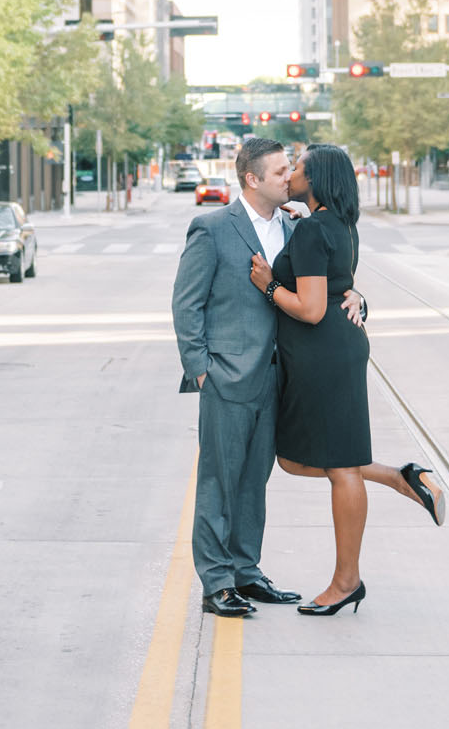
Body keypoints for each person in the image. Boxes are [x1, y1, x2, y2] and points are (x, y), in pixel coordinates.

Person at [171, 137, 365, 619]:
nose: (289, 177)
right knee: (220, 479)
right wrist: (200, 369)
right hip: (228, 376)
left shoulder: (297, 226)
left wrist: (357, 296)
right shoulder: (213, 228)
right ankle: (217, 581)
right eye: (281, 171)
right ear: (253, 179)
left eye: (291, 169)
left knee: (256, 479)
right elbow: (186, 304)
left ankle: (246, 571)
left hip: (284, 378)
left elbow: (326, 284)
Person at [250, 143, 445, 616]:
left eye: (297, 168)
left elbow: (313, 309)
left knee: (338, 468)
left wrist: (269, 285)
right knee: (296, 461)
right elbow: (336, 284)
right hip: (332, 352)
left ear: (314, 180)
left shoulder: (315, 230)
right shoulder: (337, 225)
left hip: (323, 355)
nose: (290, 173)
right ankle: (403, 479)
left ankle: (346, 582)